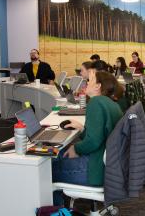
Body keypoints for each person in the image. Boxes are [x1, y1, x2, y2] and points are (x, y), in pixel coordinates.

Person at [52, 71, 123, 205]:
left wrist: (76, 148)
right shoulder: (112, 104)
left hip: (94, 171)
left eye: (89, 81)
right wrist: (82, 128)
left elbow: (93, 141)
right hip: (106, 168)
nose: (86, 83)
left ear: (98, 86)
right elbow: (100, 136)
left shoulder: (96, 102)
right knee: (58, 155)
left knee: (46, 170)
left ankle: (57, 210)